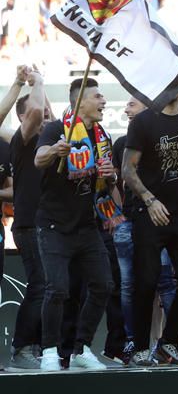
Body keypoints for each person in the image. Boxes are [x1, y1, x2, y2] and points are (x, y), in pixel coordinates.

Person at [122, 83, 178, 365]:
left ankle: (169, 340)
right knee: (146, 281)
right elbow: (127, 169)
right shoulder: (143, 121)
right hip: (149, 211)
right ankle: (139, 347)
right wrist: (149, 199)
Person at [34, 78, 115, 371]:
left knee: (103, 285)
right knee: (57, 289)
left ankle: (81, 349)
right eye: (98, 96)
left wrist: (111, 174)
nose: (104, 101)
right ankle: (49, 351)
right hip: (54, 225)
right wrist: (55, 150)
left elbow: (106, 181)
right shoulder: (58, 128)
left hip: (86, 225)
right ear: (80, 102)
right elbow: (38, 159)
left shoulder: (101, 135)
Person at [4, 65, 48, 370]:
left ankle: (42, 348)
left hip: (47, 223)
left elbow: (44, 116)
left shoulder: (49, 140)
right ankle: (23, 347)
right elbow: (35, 115)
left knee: (51, 285)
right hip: (28, 223)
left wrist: (23, 83)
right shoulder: (20, 139)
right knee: (42, 284)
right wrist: (23, 84)